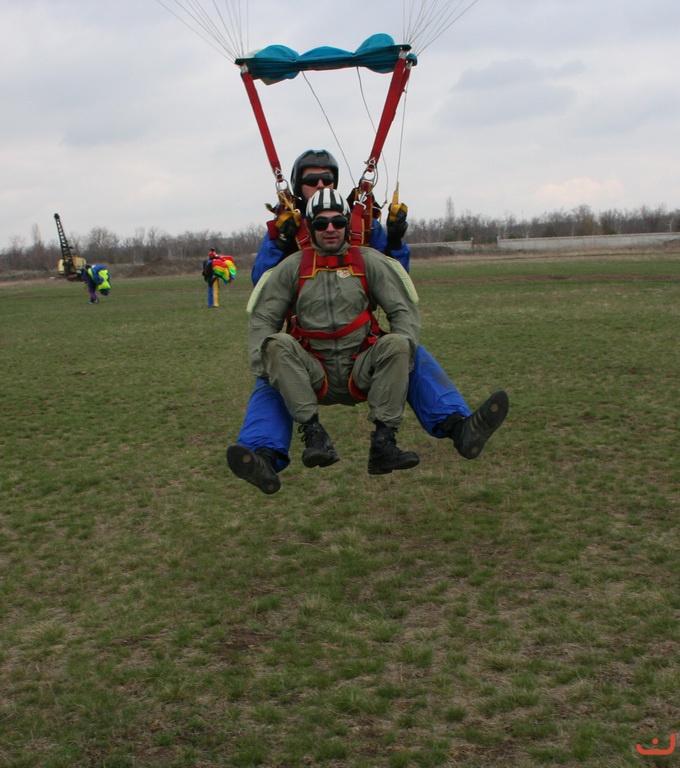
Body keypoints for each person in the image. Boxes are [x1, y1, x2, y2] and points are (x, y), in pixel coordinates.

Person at [228, 149, 508, 493]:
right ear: (298, 188)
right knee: (273, 360)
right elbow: (263, 285)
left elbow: (394, 275)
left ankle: (457, 427)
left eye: (327, 180)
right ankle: (264, 457)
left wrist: (395, 239)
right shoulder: (285, 229)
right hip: (307, 357)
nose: (320, 186)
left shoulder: (362, 222)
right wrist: (280, 240)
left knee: (406, 350)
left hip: (361, 354)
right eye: (312, 181)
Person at [230, 189, 421, 485]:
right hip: (313, 373)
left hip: (361, 368)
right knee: (276, 344)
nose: (330, 229)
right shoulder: (293, 267)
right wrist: (262, 364)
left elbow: (402, 309)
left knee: (397, 344)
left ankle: (384, 444)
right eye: (321, 223)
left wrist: (406, 354)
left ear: (346, 224)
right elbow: (265, 317)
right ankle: (314, 435)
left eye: (337, 222)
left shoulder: (369, 261)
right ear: (310, 227)